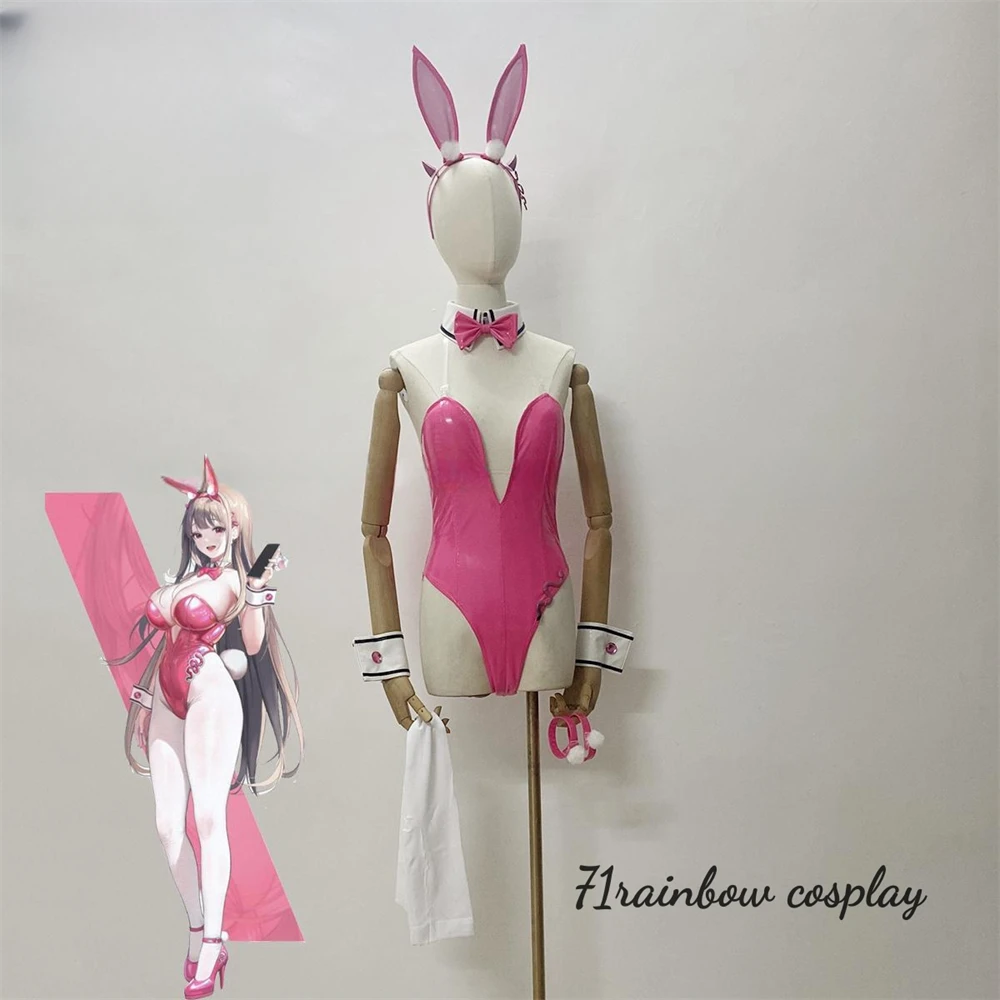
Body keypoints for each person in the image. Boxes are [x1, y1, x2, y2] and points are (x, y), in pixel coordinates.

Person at [113, 455, 302, 998]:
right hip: (166, 698)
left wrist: (258, 591)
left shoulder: (240, 580)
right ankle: (198, 929)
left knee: (208, 816)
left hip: (210, 695)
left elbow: (254, 643)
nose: (206, 537)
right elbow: (167, 638)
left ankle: (216, 938)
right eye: (198, 529)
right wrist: (144, 699)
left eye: (216, 527)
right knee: (167, 826)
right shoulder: (187, 578)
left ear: (235, 527)